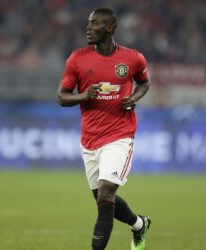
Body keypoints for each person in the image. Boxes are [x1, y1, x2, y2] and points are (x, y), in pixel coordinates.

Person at [57, 8, 151, 250]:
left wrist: (135, 97)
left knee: (107, 192)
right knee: (102, 199)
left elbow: (144, 82)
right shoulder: (77, 59)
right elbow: (61, 97)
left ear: (110, 28)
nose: (89, 27)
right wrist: (83, 95)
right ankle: (139, 224)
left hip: (120, 135)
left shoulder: (133, 58)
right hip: (89, 139)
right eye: (89, 23)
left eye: (95, 23)